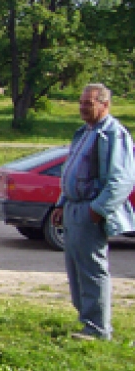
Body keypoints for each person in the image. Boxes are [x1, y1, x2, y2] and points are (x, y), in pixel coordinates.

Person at [50, 83, 135, 341]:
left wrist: (98, 210)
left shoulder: (112, 134)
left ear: (104, 105)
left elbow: (122, 180)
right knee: (75, 266)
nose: (83, 108)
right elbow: (72, 171)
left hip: (90, 209)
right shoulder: (85, 132)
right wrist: (61, 203)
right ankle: (86, 320)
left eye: (89, 103)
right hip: (73, 207)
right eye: (81, 103)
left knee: (92, 268)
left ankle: (99, 329)